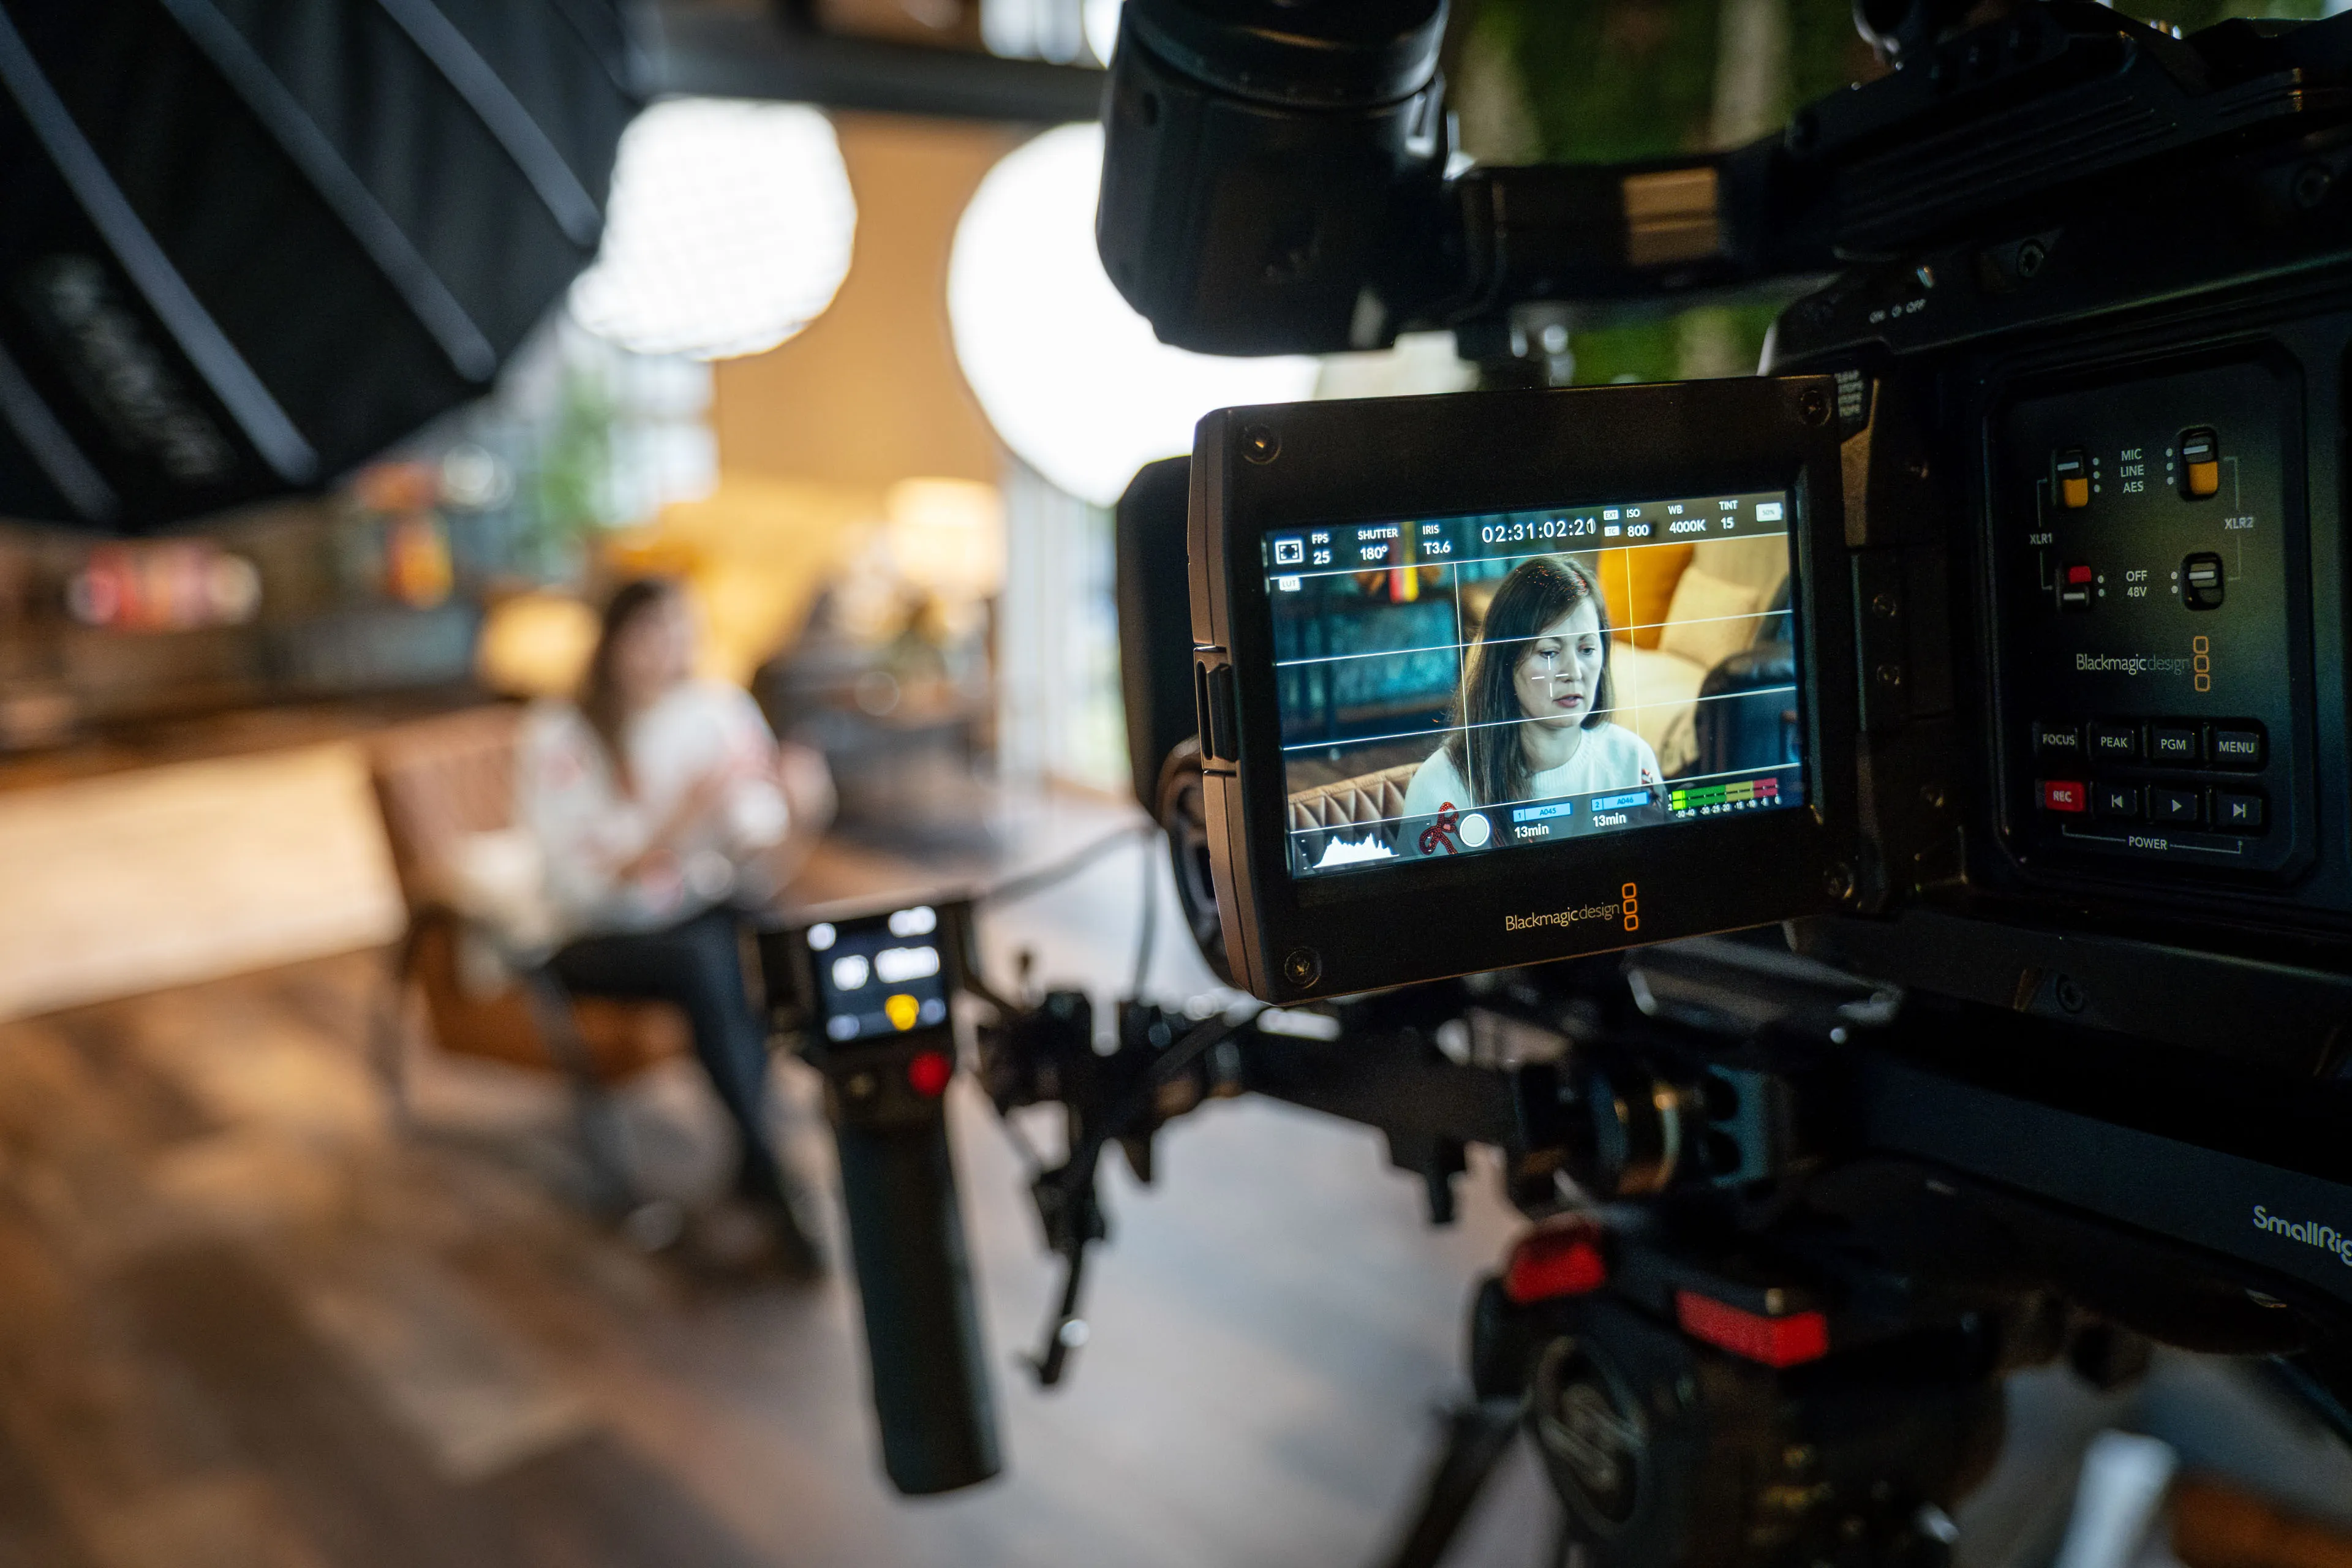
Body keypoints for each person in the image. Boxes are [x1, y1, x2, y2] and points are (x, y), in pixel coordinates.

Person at [514, 578, 826, 1273]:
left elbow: (761, 862)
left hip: (691, 907)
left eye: (682, 631)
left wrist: (800, 810)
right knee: (704, 961)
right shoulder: (561, 735)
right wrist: (680, 820)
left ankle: (758, 1154)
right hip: (586, 933)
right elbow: (584, 886)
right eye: (653, 631)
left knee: (769, 937)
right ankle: (771, 1172)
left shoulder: (715, 712)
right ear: (614, 640)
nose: (671, 650)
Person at [1401, 554, 1660, 851]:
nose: (1573, 673)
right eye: (1549, 652)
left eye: (1587, 649)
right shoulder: (1441, 786)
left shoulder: (1632, 759)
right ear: (1506, 663)